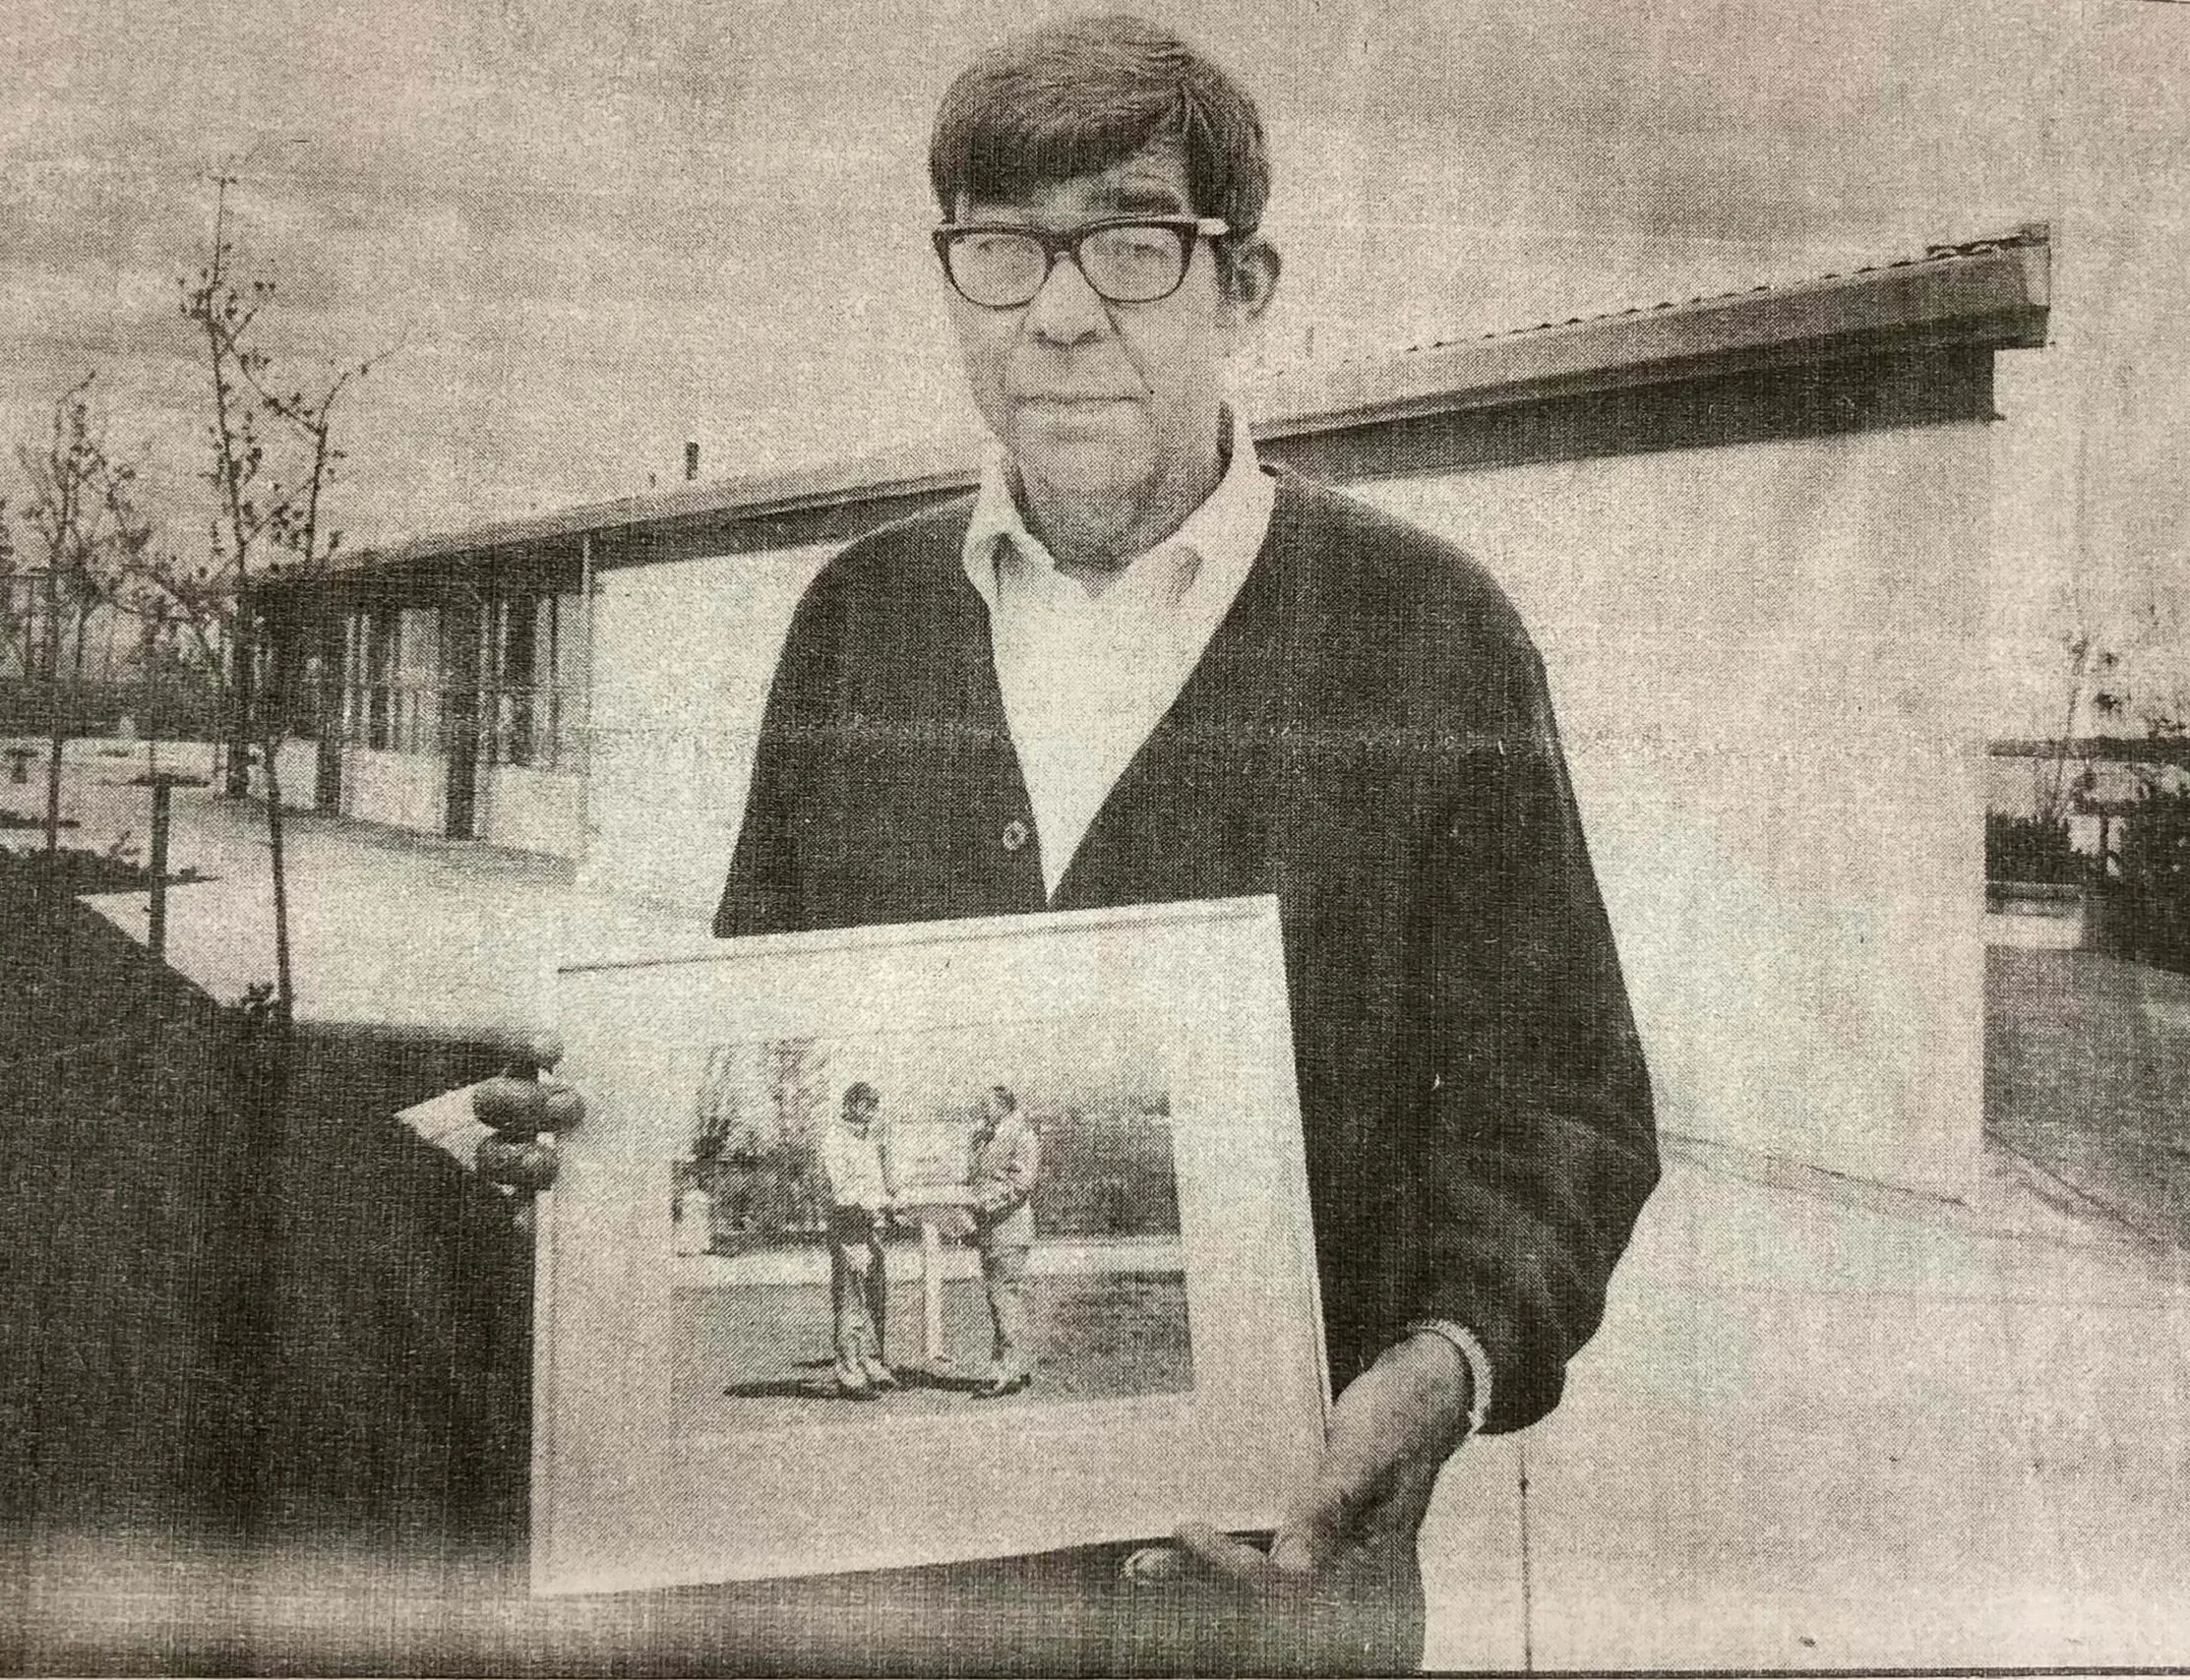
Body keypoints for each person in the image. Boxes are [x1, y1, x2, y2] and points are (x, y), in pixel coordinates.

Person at [695, 14, 1662, 1669]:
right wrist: (616, 1141)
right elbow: (753, 1021)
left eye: (1133, 245)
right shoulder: (857, 622)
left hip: (1266, 1601)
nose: (1061, 312)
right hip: (898, 1606)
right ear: (953, 284)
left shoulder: (1431, 634)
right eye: (1002, 251)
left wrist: (1444, 1359)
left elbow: (1557, 1098)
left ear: (1245, 288)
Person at [816, 1081, 898, 1399]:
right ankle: (849, 1373)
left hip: (872, 1227)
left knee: (876, 1294)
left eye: (873, 1106)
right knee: (851, 1299)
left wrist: (889, 1203)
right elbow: (843, 1190)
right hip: (849, 1225)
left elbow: (884, 1183)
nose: (870, 1112)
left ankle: (871, 1362)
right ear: (849, 1105)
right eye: (864, 1105)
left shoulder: (867, 1140)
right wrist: (877, 1203)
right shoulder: (835, 1139)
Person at [964, 1084, 1041, 1398]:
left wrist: (982, 1204)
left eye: (988, 1104)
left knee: (1004, 1298)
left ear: (1005, 1105)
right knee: (1002, 1299)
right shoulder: (988, 1136)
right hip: (993, 1231)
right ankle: (1011, 1367)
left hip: (1009, 1230)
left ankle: (1007, 1371)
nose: (983, 1109)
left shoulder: (1022, 1136)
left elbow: (1021, 1184)